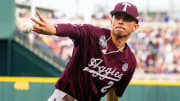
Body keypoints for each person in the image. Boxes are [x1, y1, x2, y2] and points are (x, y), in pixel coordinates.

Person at [31, 2, 139, 101]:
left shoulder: (130, 62)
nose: (120, 21)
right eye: (117, 17)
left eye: (127, 19)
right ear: (111, 21)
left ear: (135, 27)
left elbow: (114, 91)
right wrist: (54, 30)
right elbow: (74, 30)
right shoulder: (93, 34)